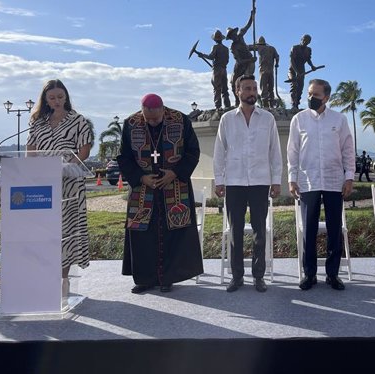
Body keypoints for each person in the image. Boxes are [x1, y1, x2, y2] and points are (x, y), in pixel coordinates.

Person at [118, 93, 203, 293]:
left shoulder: (181, 120)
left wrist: (174, 173)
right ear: (142, 112)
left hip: (173, 186)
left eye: (156, 118)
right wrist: (141, 177)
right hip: (143, 189)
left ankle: (168, 278)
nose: (153, 122)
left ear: (163, 110)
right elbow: (124, 156)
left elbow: (193, 151)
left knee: (173, 231)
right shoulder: (131, 123)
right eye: (149, 119)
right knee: (142, 234)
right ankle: (145, 279)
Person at [213, 75, 282, 293]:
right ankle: (237, 276)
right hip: (234, 182)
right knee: (235, 232)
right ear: (237, 91)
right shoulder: (227, 119)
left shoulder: (268, 118)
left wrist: (276, 180)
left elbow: (275, 151)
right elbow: (219, 151)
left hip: (260, 182)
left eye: (254, 88)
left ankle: (258, 276)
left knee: (260, 231)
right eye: (247, 88)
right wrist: (219, 179)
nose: (252, 92)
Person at [287, 78, 355, 291]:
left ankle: (333, 275)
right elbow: (293, 151)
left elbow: (347, 150)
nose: (310, 98)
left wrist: (350, 176)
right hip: (308, 181)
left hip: (334, 180)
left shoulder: (339, 120)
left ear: (326, 97)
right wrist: (292, 178)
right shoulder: (298, 120)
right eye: (309, 94)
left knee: (335, 229)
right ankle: (309, 274)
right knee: (309, 230)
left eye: (315, 95)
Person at [26, 79, 93, 284]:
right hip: (43, 184)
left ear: (66, 97)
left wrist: (66, 166)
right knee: (45, 229)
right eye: (52, 98)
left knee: (66, 229)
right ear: (45, 99)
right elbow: (31, 151)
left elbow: (84, 150)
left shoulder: (78, 120)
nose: (57, 101)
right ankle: (43, 277)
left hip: (69, 183)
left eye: (60, 97)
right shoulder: (37, 123)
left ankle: (62, 279)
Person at [226, 7, 256, 105]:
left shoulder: (241, 35)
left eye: (234, 34)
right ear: (230, 38)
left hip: (249, 63)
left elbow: (248, 25)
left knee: (247, 79)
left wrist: (252, 15)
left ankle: (249, 99)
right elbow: (239, 61)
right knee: (234, 83)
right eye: (231, 36)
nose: (234, 36)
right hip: (241, 65)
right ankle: (237, 100)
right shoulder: (233, 47)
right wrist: (250, 59)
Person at [196, 30, 231, 110]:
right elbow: (227, 60)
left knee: (217, 88)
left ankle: (218, 107)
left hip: (217, 70)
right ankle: (227, 106)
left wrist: (202, 55)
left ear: (215, 39)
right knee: (225, 89)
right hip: (224, 70)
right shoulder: (226, 49)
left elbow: (211, 57)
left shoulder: (215, 47)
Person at [287, 34, 318, 110]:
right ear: (301, 39)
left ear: (309, 42)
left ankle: (297, 103)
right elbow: (292, 61)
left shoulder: (308, 50)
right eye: (304, 39)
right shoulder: (295, 48)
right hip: (292, 70)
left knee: (300, 88)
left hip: (301, 70)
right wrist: (296, 71)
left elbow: (308, 59)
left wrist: (312, 66)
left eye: (307, 41)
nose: (305, 42)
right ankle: (293, 104)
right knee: (294, 86)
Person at [248, 36, 280, 108]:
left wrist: (253, 45)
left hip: (263, 71)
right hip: (270, 71)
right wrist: (277, 64)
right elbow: (277, 57)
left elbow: (248, 47)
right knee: (271, 88)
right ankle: (271, 104)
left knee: (263, 87)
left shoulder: (259, 47)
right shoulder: (272, 48)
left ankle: (265, 104)